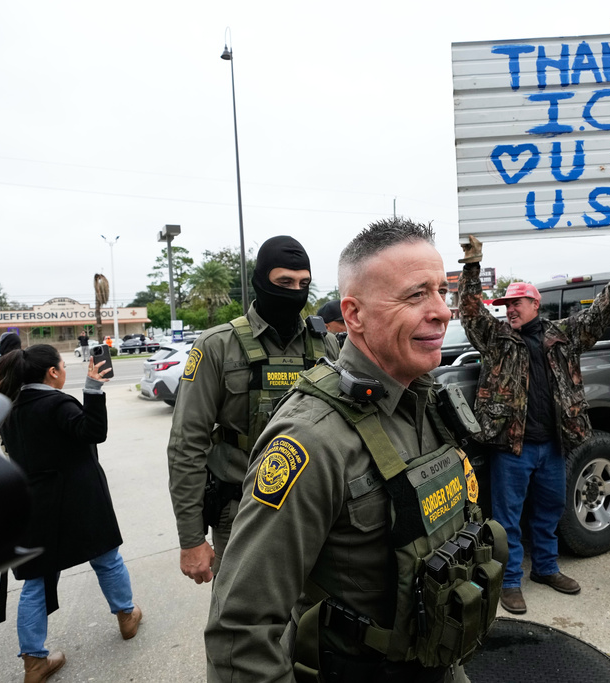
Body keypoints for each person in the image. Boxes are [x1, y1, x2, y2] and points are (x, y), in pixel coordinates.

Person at [205, 218, 503, 682]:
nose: (442, 312)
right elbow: (241, 630)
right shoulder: (312, 439)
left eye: (440, 292)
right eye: (415, 295)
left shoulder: (427, 398)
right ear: (355, 315)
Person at [457, 234, 610, 614]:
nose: (509, 309)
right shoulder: (496, 339)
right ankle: (509, 581)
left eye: (516, 303)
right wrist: (472, 265)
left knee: (549, 509)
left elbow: (599, 315)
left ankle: (545, 568)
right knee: (507, 519)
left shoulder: (562, 337)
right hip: (513, 447)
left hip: (554, 446)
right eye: (505, 304)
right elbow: (471, 311)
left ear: (535, 303)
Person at [167, 236, 339, 585]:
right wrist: (191, 539)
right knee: (242, 622)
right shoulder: (218, 346)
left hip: (316, 507)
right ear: (260, 281)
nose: (295, 291)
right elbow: (187, 443)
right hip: (243, 509)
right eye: (284, 283)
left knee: (318, 618)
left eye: (303, 284)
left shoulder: (326, 345)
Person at [0, 344, 142, 683]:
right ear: (53, 373)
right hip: (80, 500)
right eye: (63, 366)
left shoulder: (10, 408)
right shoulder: (56, 402)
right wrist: (93, 388)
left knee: (37, 581)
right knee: (106, 559)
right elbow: (93, 432)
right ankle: (126, 616)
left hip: (33, 505)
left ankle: (34, 661)